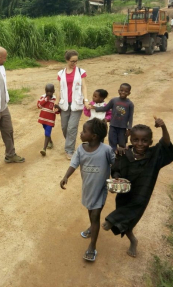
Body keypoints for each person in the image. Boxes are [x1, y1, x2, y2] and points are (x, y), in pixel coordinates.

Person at [102, 117, 173, 258]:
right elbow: (116, 169)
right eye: (136, 140)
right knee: (126, 219)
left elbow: (166, 144)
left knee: (131, 212)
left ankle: (110, 220)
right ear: (131, 140)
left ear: (150, 142)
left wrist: (164, 127)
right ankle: (133, 240)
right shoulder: (124, 154)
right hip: (124, 193)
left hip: (142, 193)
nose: (140, 144)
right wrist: (116, 179)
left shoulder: (154, 155)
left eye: (145, 140)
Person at [60, 118, 115, 262]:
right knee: (91, 213)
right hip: (87, 188)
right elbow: (74, 163)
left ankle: (92, 247)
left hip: (100, 190)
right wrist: (66, 176)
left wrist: (115, 180)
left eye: (84, 131)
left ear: (94, 136)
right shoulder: (80, 149)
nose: (81, 133)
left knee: (95, 215)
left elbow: (115, 165)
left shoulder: (106, 150)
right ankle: (92, 227)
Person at [57, 50, 89, 160]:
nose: (74, 63)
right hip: (64, 103)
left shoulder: (81, 72)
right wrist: (56, 103)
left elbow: (84, 86)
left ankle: (69, 150)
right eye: (72, 61)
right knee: (64, 127)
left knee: (72, 127)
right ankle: (69, 144)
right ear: (67, 60)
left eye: (76, 61)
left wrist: (86, 100)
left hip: (77, 103)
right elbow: (59, 89)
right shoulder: (60, 73)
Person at [91, 83, 134, 151]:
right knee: (112, 143)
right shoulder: (114, 100)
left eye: (126, 91)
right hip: (113, 126)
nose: (123, 92)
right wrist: (95, 108)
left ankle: (122, 159)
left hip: (123, 128)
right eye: (121, 90)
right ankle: (113, 158)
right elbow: (105, 108)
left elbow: (130, 116)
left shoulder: (130, 104)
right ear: (118, 91)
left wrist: (129, 128)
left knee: (122, 144)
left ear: (129, 93)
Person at [37, 83, 60, 156]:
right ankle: (50, 142)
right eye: (47, 92)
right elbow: (39, 105)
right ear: (45, 91)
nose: (49, 93)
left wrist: (57, 110)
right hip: (43, 119)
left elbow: (57, 110)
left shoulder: (55, 99)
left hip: (50, 120)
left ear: (54, 91)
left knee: (47, 133)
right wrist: (46, 99)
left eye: (50, 92)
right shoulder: (43, 97)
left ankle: (44, 149)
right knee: (46, 131)